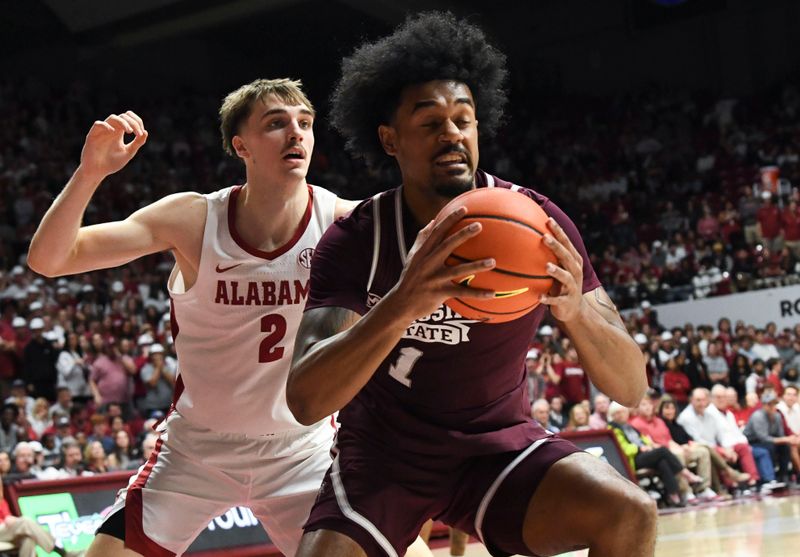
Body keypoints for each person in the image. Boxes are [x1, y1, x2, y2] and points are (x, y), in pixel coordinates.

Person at [287, 13, 654, 557]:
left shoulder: (538, 225)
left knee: (630, 514)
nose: (452, 133)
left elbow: (630, 388)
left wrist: (576, 311)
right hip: (385, 459)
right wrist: (404, 299)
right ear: (389, 139)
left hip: (497, 448)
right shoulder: (357, 240)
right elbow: (305, 399)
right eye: (430, 122)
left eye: (464, 118)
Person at [28, 79, 429, 557]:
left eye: (304, 123)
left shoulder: (345, 225)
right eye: (276, 124)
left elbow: (445, 269)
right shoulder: (194, 219)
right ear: (241, 145)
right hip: (196, 452)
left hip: (303, 452)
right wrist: (90, 173)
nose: (296, 134)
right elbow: (50, 259)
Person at [607, 402, 700, 507]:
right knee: (662, 451)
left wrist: (649, 445)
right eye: (617, 413)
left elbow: (644, 439)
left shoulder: (629, 426)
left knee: (662, 462)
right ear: (612, 415)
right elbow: (623, 449)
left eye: (623, 411)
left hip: (645, 454)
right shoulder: (612, 429)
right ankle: (685, 473)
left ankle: (674, 496)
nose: (621, 415)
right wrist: (639, 448)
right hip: (632, 459)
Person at [0, 475, 82, 557]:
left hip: (5, 531)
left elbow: (7, 517)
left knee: (28, 539)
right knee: (25, 522)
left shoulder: (1, 501)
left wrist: (9, 519)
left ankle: (62, 552)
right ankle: (61, 552)